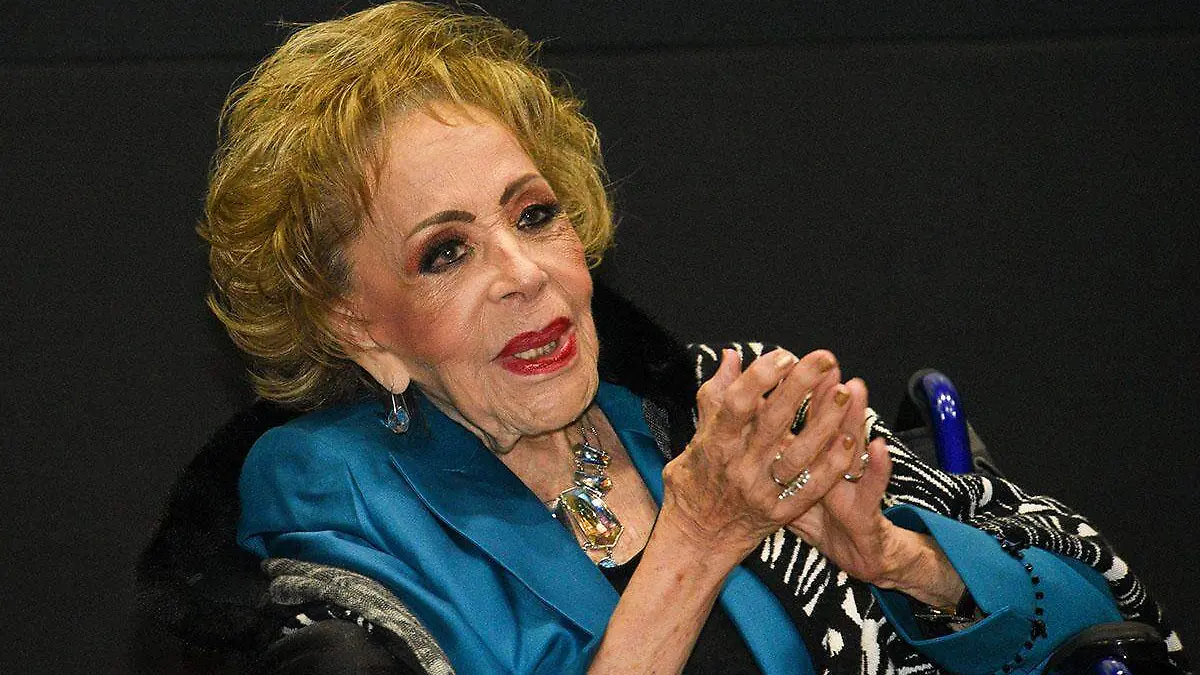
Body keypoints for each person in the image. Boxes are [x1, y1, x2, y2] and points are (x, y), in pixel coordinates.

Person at [139, 2, 1187, 674]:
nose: (523, 274)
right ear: (359, 323)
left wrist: (904, 562)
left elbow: (1122, 625)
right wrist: (697, 537)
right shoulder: (333, 493)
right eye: (445, 252)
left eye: (535, 215)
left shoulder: (706, 407)